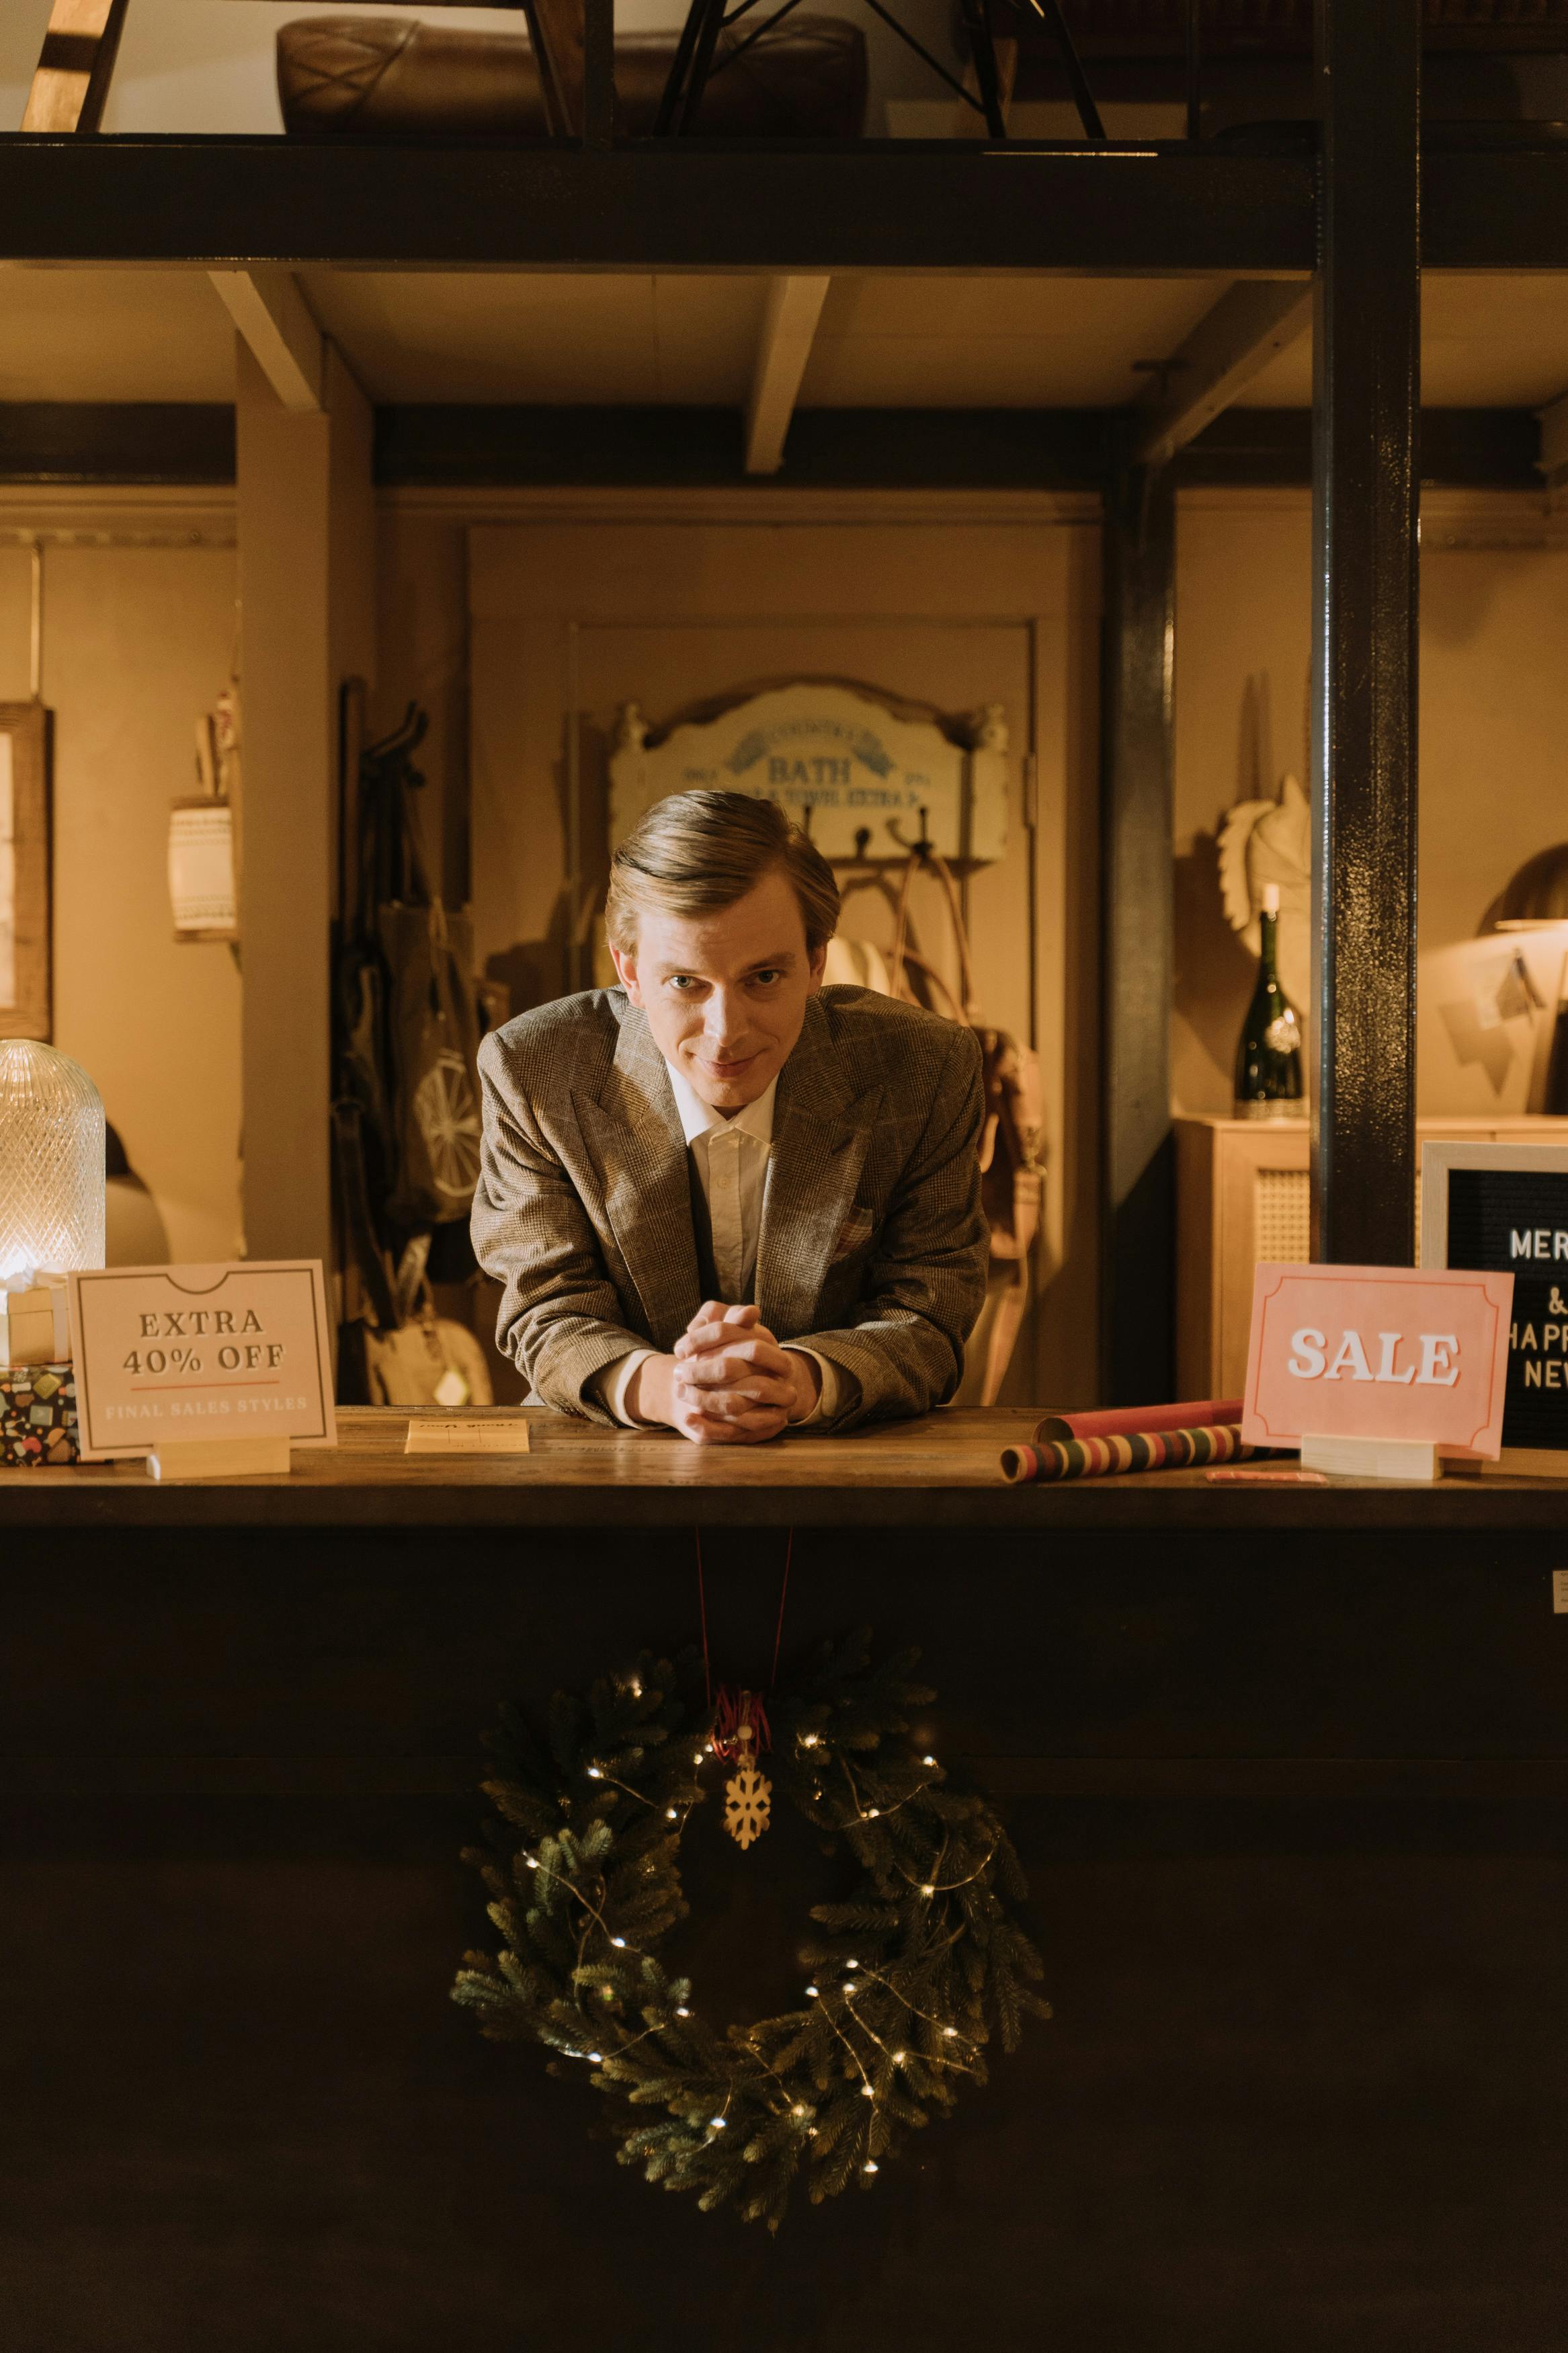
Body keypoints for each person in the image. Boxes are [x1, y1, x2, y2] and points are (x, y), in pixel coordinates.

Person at [472, 789, 988, 1440]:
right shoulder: (532, 1071)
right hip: (605, 1484)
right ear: (628, 971)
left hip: (846, 1487)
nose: (725, 1033)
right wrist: (670, 1389)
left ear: (815, 963)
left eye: (763, 978)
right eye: (686, 982)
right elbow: (543, 1311)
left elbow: (931, 1315)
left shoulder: (925, 1067)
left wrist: (799, 1379)